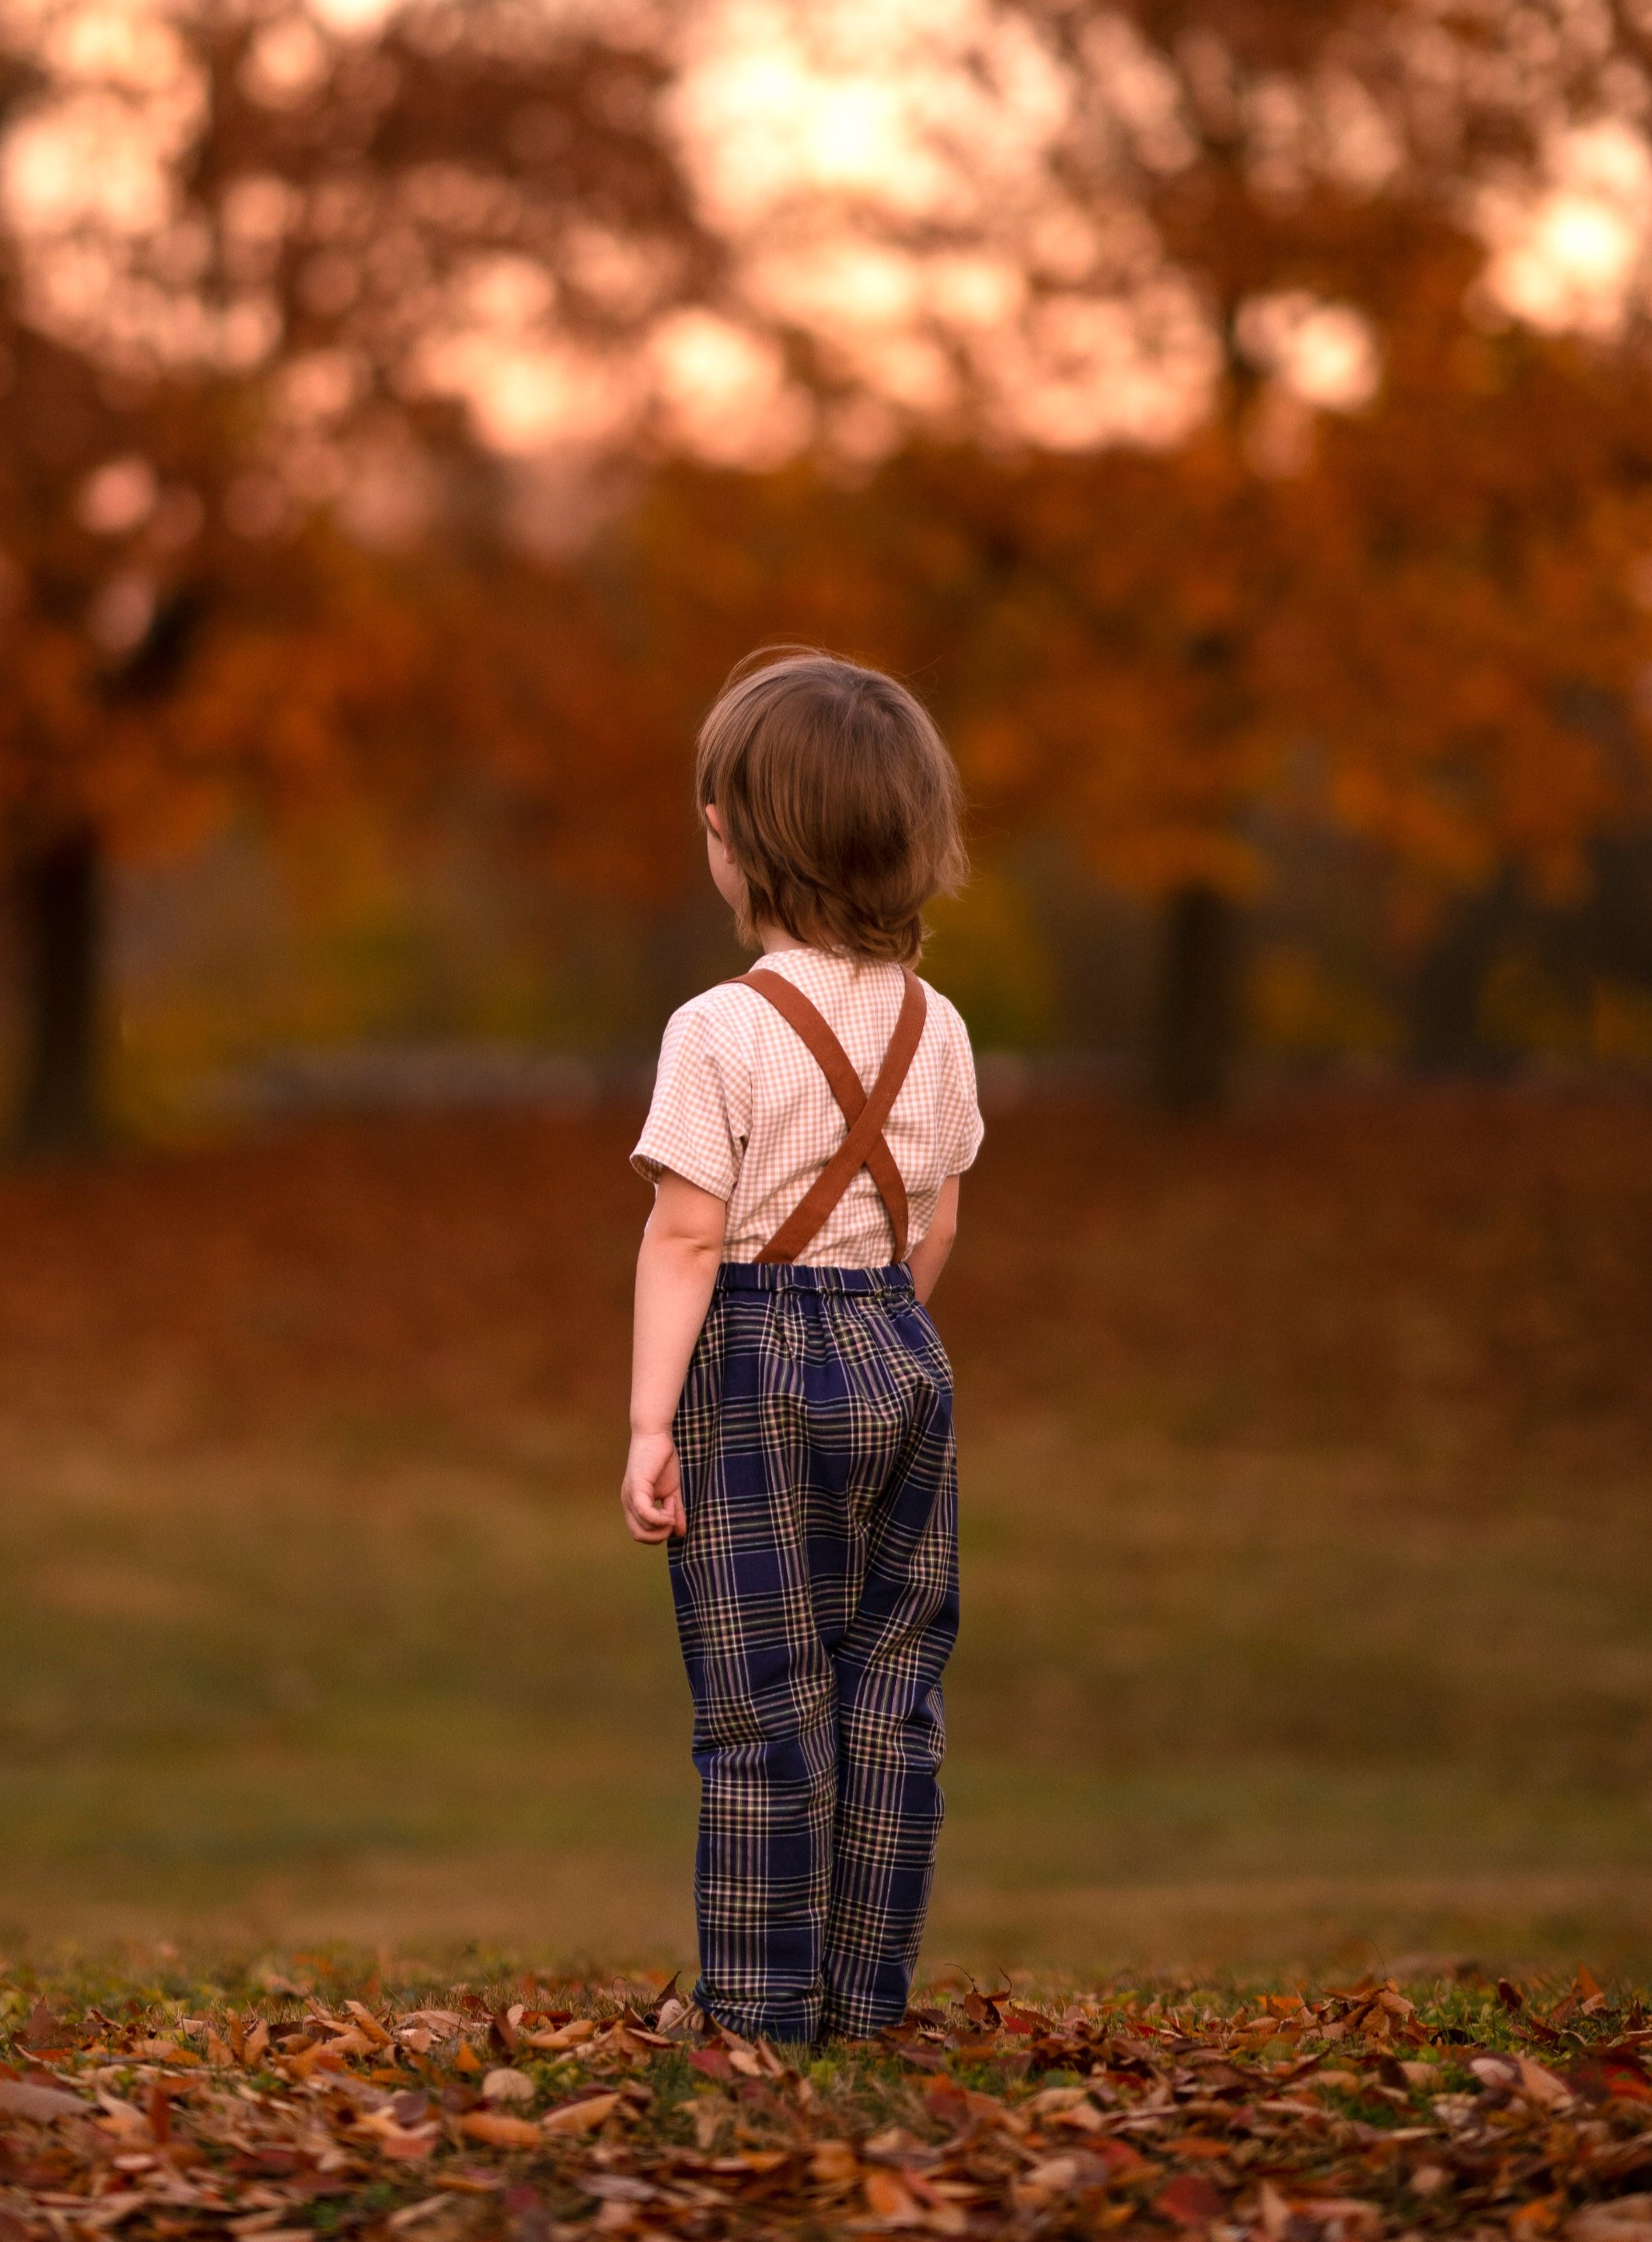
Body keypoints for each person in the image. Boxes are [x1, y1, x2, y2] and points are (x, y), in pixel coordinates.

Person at [621, 646, 984, 2046]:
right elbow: (938, 1218)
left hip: (756, 1371)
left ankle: (764, 2015)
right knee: (891, 1691)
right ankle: (864, 2000)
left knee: (764, 1703)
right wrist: (883, 1327)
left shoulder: (719, 1029)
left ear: (736, 841)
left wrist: (652, 1422)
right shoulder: (937, 1025)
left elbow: (684, 1237)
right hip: (901, 1347)